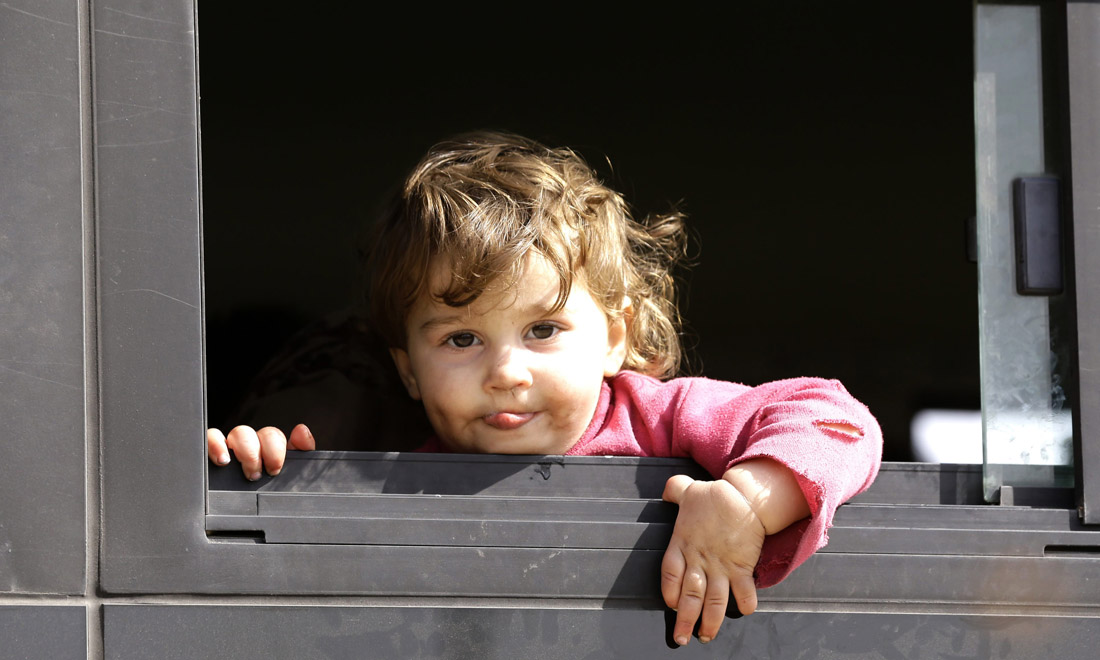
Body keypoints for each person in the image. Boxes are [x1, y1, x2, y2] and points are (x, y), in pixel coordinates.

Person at [207, 131, 882, 646]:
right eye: (461, 339)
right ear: (408, 370)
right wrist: (262, 471)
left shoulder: (655, 415)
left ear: (614, 337)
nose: (506, 373)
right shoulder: (401, 472)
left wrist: (747, 501)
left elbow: (836, 419)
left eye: (543, 329)